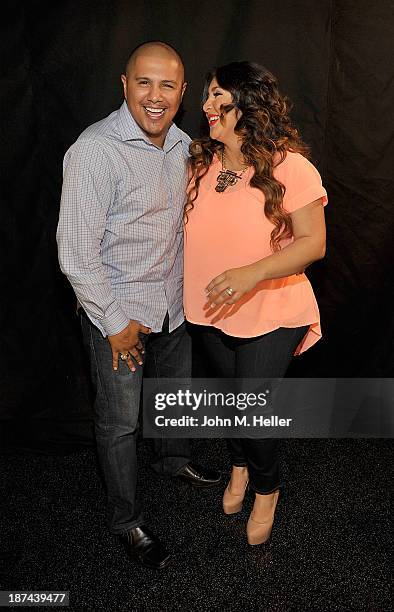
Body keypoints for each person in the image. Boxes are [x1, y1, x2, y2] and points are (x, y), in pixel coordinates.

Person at [56, 41, 220, 570]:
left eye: (167, 85)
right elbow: (75, 255)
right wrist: (114, 322)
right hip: (119, 315)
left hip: (172, 303)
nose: (155, 96)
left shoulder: (180, 145)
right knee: (121, 422)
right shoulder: (94, 152)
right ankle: (125, 521)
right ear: (123, 85)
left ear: (183, 93)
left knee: (175, 393)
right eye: (143, 83)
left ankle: (173, 460)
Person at [184, 61, 327, 545]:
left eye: (218, 96)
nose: (206, 105)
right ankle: (240, 468)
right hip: (210, 309)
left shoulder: (291, 165)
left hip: (273, 307)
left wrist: (251, 273)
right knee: (231, 403)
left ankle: (267, 489)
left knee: (250, 408)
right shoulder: (200, 162)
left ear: (247, 103)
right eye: (206, 95)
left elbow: (312, 243)